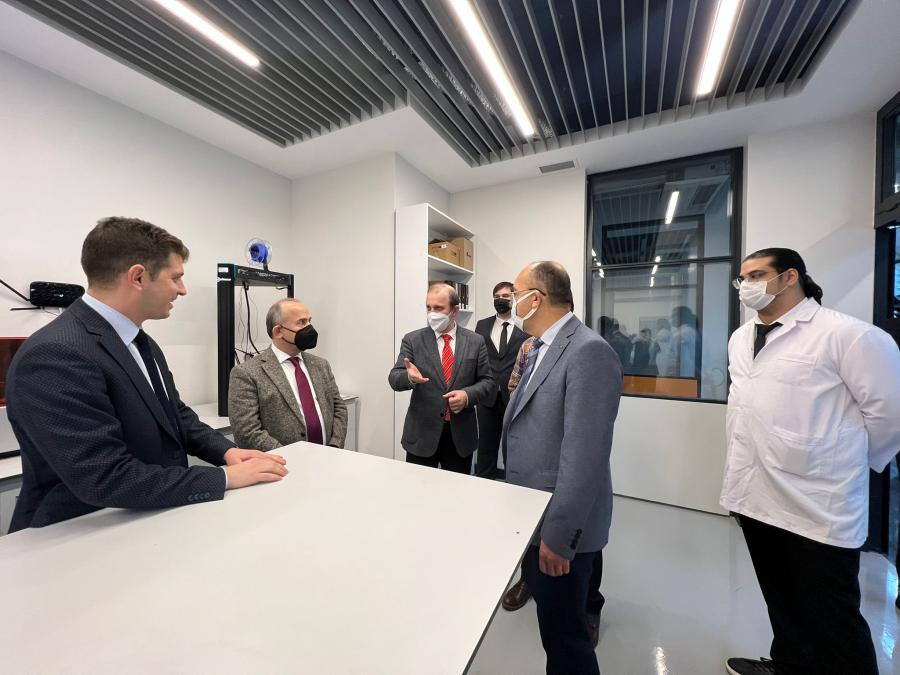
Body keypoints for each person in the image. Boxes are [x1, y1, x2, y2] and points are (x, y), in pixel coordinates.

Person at [7, 217, 287, 532]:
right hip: (80, 533)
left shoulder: (139, 341)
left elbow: (175, 415)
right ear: (138, 277)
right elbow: (104, 477)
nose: (182, 290)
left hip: (147, 518)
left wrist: (227, 451)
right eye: (176, 278)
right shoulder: (56, 354)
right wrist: (222, 478)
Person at [721, 248, 900, 675]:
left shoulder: (849, 336)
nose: (746, 286)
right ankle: (790, 664)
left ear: (790, 277)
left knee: (833, 617)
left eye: (757, 275)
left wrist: (841, 461)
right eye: (743, 278)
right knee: (781, 600)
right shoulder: (741, 337)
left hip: (818, 505)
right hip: (755, 494)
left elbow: (889, 414)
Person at [503, 261, 622, 674]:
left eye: (516, 293)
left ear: (535, 299)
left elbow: (585, 456)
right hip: (534, 515)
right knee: (554, 629)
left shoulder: (588, 351)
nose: (511, 301)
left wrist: (558, 537)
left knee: (566, 642)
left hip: (559, 527)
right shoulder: (539, 347)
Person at [388, 283, 494, 473]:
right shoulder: (413, 339)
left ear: (455, 311)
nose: (432, 313)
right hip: (421, 435)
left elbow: (487, 382)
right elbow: (394, 378)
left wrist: (467, 396)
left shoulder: (475, 341)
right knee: (417, 488)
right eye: (428, 307)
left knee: (456, 489)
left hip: (460, 437)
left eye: (438, 308)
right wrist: (409, 377)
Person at [228, 298, 347, 450]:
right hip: (283, 462)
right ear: (278, 331)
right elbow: (247, 432)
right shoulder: (246, 373)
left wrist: (334, 446)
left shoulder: (321, 365)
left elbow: (339, 408)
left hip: (329, 456)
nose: (309, 328)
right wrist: (289, 458)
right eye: (301, 322)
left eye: (309, 321)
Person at [473, 281, 528, 479]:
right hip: (486, 396)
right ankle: (483, 484)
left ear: (514, 298)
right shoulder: (482, 325)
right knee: (485, 447)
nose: (500, 300)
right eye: (497, 296)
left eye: (505, 296)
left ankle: (513, 486)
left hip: (513, 396)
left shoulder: (525, 325)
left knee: (512, 446)